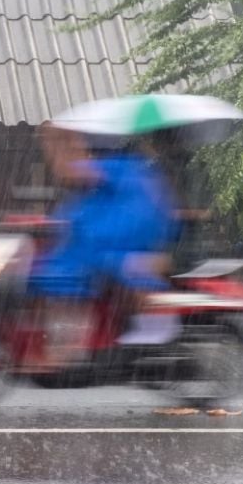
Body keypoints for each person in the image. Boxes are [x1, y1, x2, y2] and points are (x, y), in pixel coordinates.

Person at [29, 122, 181, 363]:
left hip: (117, 246)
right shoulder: (132, 171)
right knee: (51, 269)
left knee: (66, 272)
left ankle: (73, 341)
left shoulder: (123, 168)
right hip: (102, 244)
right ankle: (66, 340)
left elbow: (69, 172)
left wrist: (56, 141)